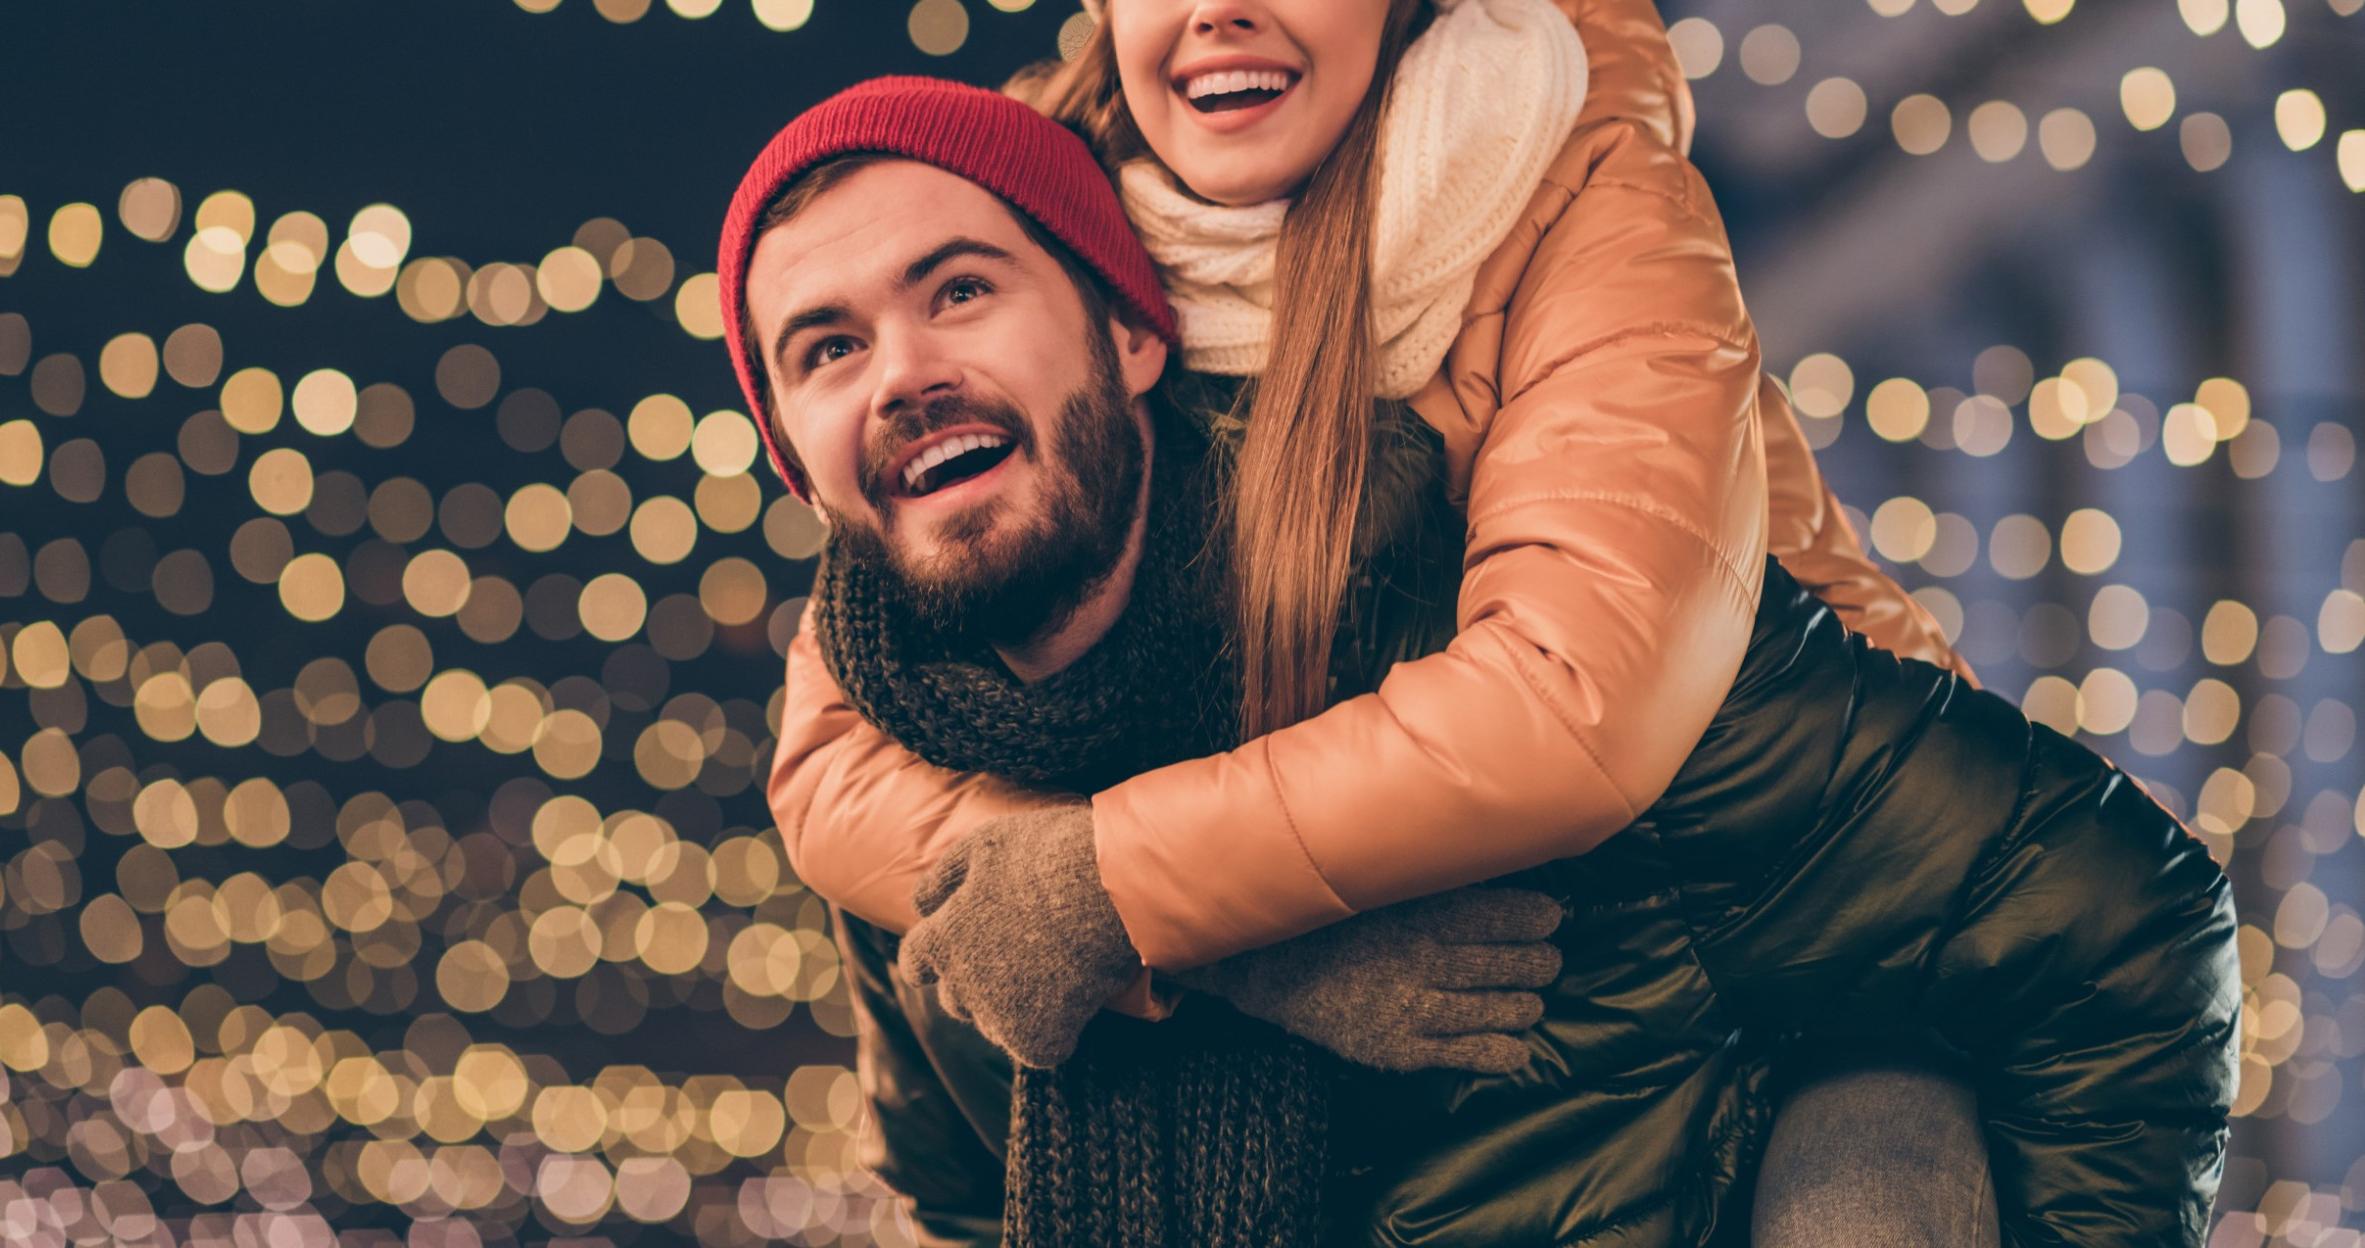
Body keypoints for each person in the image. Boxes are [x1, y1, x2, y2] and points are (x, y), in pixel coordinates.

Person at [717, 80, 2239, 1246]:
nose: (905, 373)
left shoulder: (1503, 629)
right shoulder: (915, 791)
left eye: (961, 290)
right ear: (798, 460)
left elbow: (2117, 939)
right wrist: (1235, 955)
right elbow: (954, 1201)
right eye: (825, 348)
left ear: (1127, 331)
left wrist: (1874, 1158)